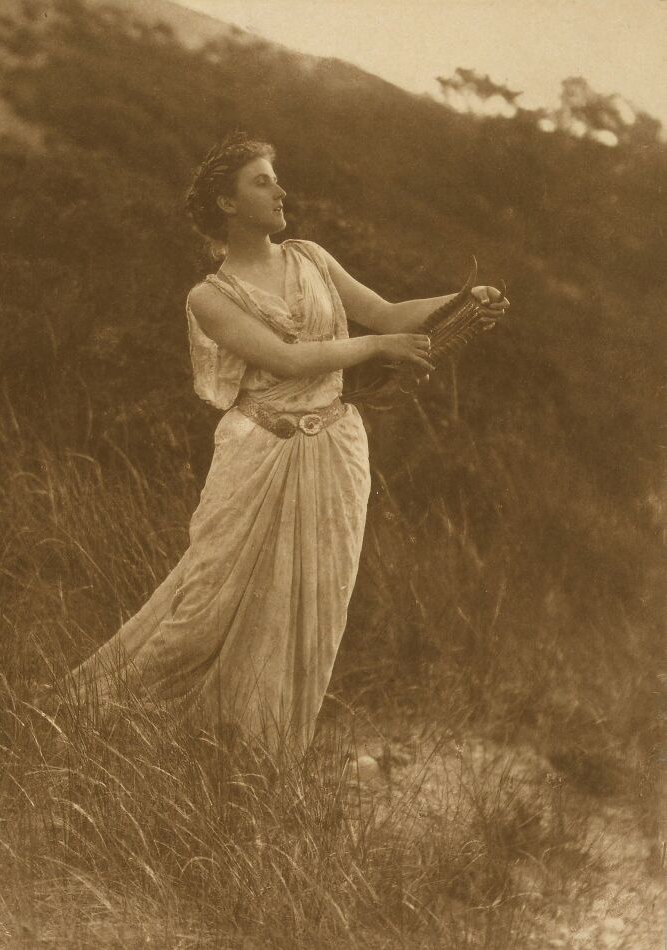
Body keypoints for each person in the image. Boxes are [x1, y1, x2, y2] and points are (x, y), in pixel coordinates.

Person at [65, 132, 508, 756]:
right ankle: (101, 721)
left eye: (275, 179)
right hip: (258, 454)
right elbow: (285, 359)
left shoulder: (310, 257)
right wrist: (376, 348)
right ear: (227, 203)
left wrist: (462, 300)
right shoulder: (209, 297)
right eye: (263, 181)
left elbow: (387, 313)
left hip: (336, 449)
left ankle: (258, 755)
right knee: (207, 604)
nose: (280, 191)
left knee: (313, 608)